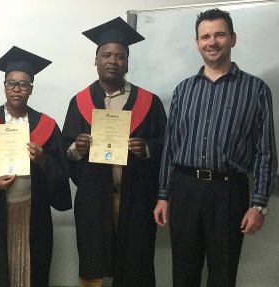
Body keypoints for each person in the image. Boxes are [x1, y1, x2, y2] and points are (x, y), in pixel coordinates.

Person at [153, 8, 277, 287]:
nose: (212, 42)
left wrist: (259, 204)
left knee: (223, 274)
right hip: (185, 190)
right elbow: (171, 147)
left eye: (219, 34)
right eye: (205, 36)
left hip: (228, 192)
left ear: (233, 38)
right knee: (183, 272)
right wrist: (163, 195)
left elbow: (266, 152)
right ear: (197, 42)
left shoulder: (256, 89)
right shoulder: (183, 90)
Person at [62, 17, 167, 287]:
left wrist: (146, 148)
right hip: (94, 199)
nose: (113, 60)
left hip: (137, 199)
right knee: (92, 265)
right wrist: (77, 148)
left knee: (135, 265)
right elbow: (65, 149)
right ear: (95, 60)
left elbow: (167, 145)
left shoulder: (149, 102)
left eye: (120, 56)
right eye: (106, 54)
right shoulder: (80, 101)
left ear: (127, 63)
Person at [0, 46, 72, 287]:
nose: (16, 89)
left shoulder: (47, 125)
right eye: (11, 83)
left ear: (31, 89)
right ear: (3, 86)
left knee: (32, 270)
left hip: (34, 213)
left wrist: (43, 159)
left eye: (23, 84)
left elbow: (60, 172)